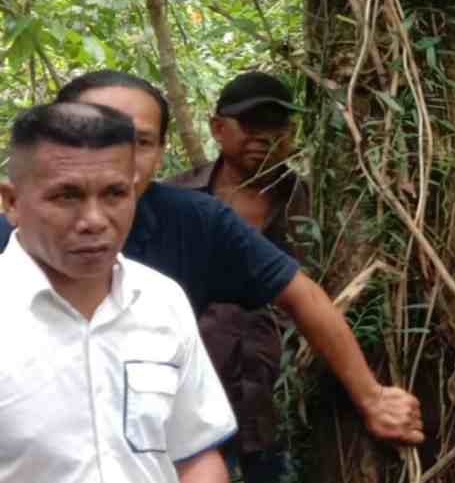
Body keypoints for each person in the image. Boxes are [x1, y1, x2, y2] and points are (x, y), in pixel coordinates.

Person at [0, 70, 424, 445]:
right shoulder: (11, 239)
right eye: (89, 133)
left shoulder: (194, 223)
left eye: (139, 142)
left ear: (161, 150)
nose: (112, 157)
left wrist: (372, 397)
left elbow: (301, 295)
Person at [0, 102, 237, 483]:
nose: (94, 219)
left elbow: (194, 453)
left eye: (114, 194)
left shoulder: (161, 301)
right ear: (11, 203)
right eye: (66, 196)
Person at [168, 72, 310, 483]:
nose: (265, 138)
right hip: (190, 402)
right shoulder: (176, 200)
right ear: (218, 128)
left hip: (282, 404)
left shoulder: (310, 203)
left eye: (278, 126)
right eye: (251, 125)